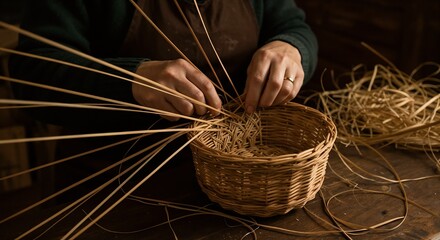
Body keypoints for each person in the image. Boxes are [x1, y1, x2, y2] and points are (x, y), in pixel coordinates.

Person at [8, 0, 318, 201]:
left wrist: (291, 48)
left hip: (240, 181)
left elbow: (293, 26)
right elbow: (31, 73)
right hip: (117, 189)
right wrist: (130, 80)